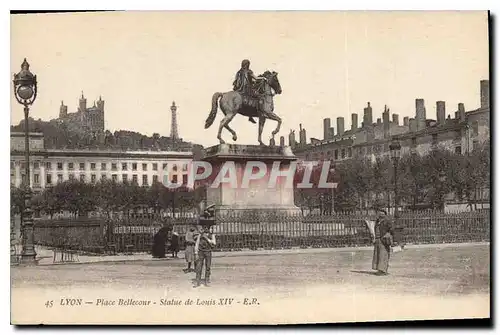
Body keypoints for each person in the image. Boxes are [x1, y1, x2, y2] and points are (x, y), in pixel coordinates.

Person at [232, 59, 266, 124]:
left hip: (239, 89)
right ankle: (256, 113)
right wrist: (263, 78)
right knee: (259, 97)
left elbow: (236, 81)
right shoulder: (249, 71)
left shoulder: (239, 72)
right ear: (247, 65)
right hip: (247, 89)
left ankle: (250, 116)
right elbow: (255, 78)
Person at [372, 210, 394, 276]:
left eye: (382, 214)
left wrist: (388, 234)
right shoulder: (377, 222)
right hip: (377, 239)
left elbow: (392, 229)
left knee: (383, 255)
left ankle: (383, 270)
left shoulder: (387, 221)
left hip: (384, 240)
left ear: (385, 215)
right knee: (377, 255)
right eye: (380, 214)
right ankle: (379, 269)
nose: (381, 215)